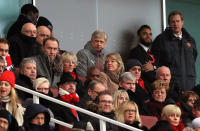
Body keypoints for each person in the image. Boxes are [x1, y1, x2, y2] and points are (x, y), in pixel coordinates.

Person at [151, 11, 197, 91]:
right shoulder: (161, 40)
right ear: (169, 23)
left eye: (177, 21)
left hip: (190, 83)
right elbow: (155, 61)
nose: (175, 24)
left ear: (182, 22)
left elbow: (194, 58)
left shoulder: (190, 40)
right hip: (170, 86)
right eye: (172, 22)